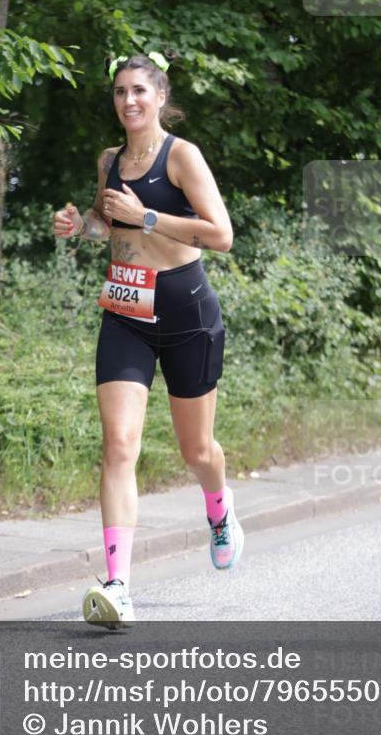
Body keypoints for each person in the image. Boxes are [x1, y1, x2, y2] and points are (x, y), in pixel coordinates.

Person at [52, 51, 244, 629]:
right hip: (126, 312)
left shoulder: (181, 156)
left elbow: (222, 235)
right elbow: (105, 223)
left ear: (160, 96)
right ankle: (119, 586)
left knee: (197, 451)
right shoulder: (108, 159)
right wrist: (80, 227)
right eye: (119, 92)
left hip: (186, 312)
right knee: (118, 444)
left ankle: (219, 510)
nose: (128, 101)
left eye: (139, 90)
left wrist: (149, 217)